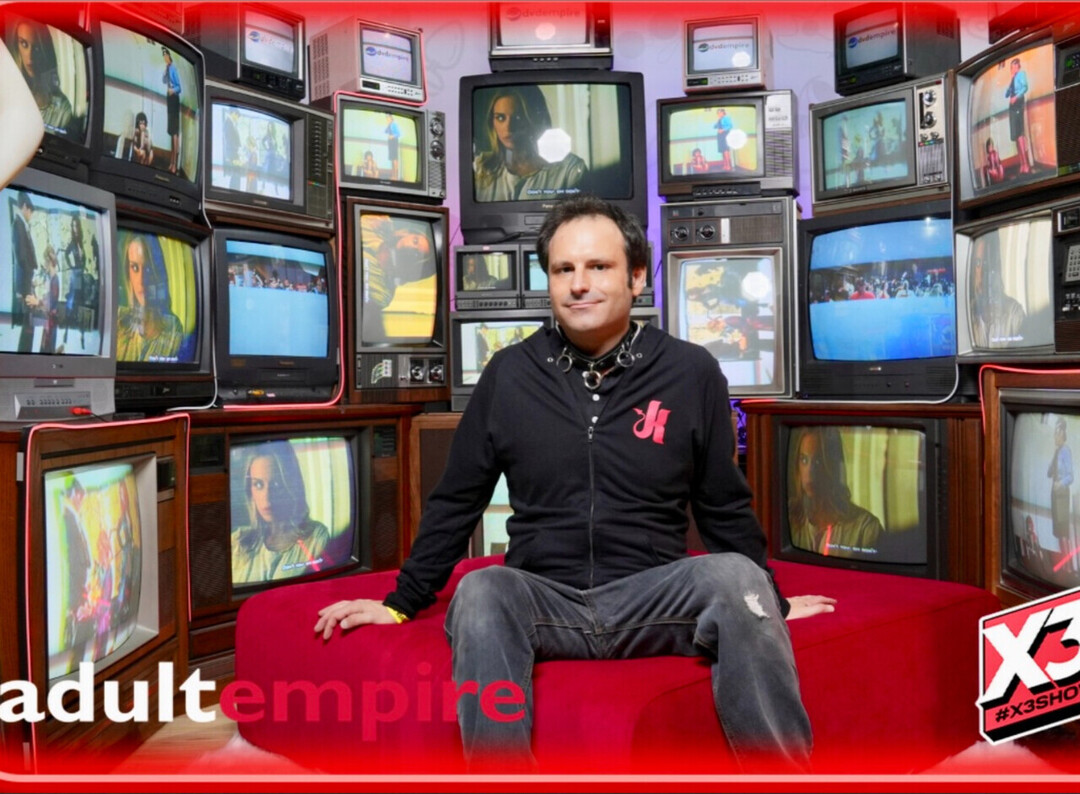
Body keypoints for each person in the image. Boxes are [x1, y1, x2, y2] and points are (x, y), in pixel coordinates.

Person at [315, 195, 836, 773]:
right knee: (481, 590)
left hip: (654, 600)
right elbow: (457, 499)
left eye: (598, 266)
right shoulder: (509, 374)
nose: (579, 284)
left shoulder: (692, 372)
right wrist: (400, 604)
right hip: (544, 600)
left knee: (737, 576)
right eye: (563, 269)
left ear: (637, 277)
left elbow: (724, 504)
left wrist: (766, 601)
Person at [232, 442, 331, 585]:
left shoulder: (316, 537)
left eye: (276, 485)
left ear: (291, 485)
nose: (267, 497)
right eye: (258, 484)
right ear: (250, 491)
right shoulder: (236, 542)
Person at [472, 86, 587, 203]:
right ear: (492, 122)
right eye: (500, 118)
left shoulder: (570, 170)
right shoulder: (480, 169)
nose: (508, 127)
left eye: (518, 117)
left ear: (536, 118)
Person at [788, 426, 884, 559]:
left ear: (833, 466)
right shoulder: (790, 517)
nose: (810, 472)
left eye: (818, 461)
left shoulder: (866, 529)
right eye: (804, 460)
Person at [359, 214, 438, 342]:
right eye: (415, 241)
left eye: (417, 253)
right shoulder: (380, 225)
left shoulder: (384, 293)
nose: (412, 247)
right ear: (407, 234)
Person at [115, 235, 183, 363]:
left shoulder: (173, 328)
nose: (142, 280)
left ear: (157, 272)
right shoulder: (117, 318)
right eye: (135, 267)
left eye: (147, 268)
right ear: (128, 274)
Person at [8, 19, 73, 136]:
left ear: (45, 50)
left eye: (37, 47)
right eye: (24, 44)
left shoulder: (62, 110)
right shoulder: (6, 88)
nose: (30, 56)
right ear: (16, 46)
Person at [970, 233, 1026, 348]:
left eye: (987, 263)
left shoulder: (1015, 315)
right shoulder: (967, 315)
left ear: (997, 266)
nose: (983, 272)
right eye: (978, 263)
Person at [1048, 418, 1076, 573]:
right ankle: (1064, 566)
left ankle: (1069, 566)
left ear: (1062, 434)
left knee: (1063, 531)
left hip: (1062, 495)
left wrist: (1060, 483)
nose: (1055, 436)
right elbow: (1049, 472)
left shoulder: (1066, 451)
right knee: (1058, 530)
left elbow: (1070, 476)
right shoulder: (1056, 452)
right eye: (1054, 433)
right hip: (1054, 494)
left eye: (1057, 434)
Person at [12, 190, 37, 352]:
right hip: (24, 285)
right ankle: (24, 353)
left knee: (29, 324)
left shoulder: (23, 226)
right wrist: (29, 277)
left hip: (27, 282)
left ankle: (26, 352)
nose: (31, 215)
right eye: (31, 212)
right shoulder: (18, 225)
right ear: (25, 207)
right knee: (27, 325)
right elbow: (21, 257)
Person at [62, 215, 87, 346]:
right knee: (73, 304)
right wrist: (71, 266)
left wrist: (84, 267)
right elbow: (66, 254)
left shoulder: (80, 242)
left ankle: (81, 336)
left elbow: (83, 258)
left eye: (76, 225)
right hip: (76, 275)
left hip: (80, 275)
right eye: (73, 226)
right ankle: (66, 332)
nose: (75, 228)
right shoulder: (72, 243)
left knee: (79, 304)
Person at [1005, 57, 1031, 175]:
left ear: (1018, 66)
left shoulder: (1021, 74)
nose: (1013, 69)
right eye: (1011, 67)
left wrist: (1016, 97)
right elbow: (1006, 94)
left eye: (1015, 66)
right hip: (1011, 106)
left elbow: (1025, 87)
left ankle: (1026, 164)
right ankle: (1022, 164)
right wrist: (1010, 79)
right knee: (1015, 135)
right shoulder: (1012, 78)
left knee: (1020, 134)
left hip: (1018, 102)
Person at [162, 47, 181, 174]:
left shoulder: (174, 68)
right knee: (171, 130)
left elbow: (179, 87)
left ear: (169, 56)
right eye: (163, 56)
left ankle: (174, 164)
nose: (165, 58)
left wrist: (172, 90)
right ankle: (171, 162)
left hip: (174, 99)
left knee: (174, 132)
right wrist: (164, 72)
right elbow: (163, 81)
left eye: (166, 55)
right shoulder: (167, 69)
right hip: (169, 99)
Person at [222, 107, 242, 190]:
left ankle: (235, 189)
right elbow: (229, 140)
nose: (237, 118)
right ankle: (234, 190)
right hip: (232, 153)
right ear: (233, 113)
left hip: (234, 152)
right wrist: (236, 149)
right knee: (236, 174)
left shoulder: (231, 123)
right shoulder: (228, 123)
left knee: (236, 174)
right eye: (237, 116)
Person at [385, 113, 401, 181]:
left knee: (394, 159)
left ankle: (395, 176)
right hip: (390, 143)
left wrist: (392, 136)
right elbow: (385, 131)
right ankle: (393, 176)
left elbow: (398, 134)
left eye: (388, 118)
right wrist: (388, 125)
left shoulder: (394, 124)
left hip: (394, 142)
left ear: (391, 118)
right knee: (392, 159)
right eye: (387, 118)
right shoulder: (389, 125)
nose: (387, 119)